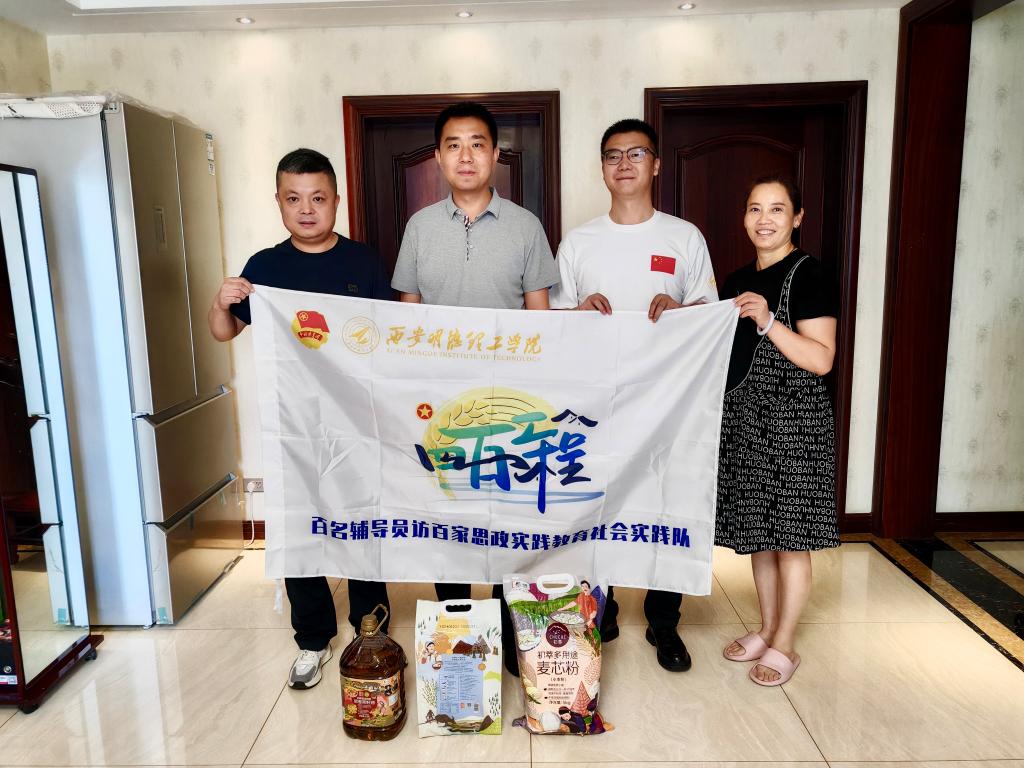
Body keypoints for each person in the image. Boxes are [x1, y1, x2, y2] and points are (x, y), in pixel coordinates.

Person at [208, 147, 392, 690]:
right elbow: (225, 331)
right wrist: (221, 302)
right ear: (279, 203)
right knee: (298, 522)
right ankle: (312, 638)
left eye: (318, 198)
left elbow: (389, 336)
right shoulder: (265, 267)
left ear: (336, 200)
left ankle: (371, 629)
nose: (307, 210)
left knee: (362, 521)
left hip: (356, 421)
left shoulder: (364, 262)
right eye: (294, 199)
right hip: (292, 421)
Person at [391, 101, 559, 674]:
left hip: (509, 406)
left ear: (495, 155)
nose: (466, 156)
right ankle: (458, 631)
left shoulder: (525, 226)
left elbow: (540, 320)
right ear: (438, 157)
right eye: (454, 145)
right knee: (450, 519)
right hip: (443, 407)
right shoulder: (419, 227)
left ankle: (511, 637)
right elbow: (407, 320)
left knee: (508, 519)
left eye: (478, 144)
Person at [550, 118, 718, 673]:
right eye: (613, 155)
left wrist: (680, 311)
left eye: (636, 153)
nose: (624, 164)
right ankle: (604, 604)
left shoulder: (684, 237)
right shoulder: (579, 242)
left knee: (666, 501)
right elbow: (553, 325)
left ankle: (664, 620)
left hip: (668, 404)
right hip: (596, 404)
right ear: (601, 168)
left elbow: (711, 316)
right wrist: (578, 312)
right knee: (600, 501)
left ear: (656, 164)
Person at [716, 174, 839, 686]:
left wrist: (768, 321)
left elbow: (822, 359)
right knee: (758, 537)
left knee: (790, 539)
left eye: (777, 209)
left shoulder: (811, 274)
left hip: (795, 424)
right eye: (754, 208)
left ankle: (785, 643)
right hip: (747, 421)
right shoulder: (736, 279)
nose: (764, 219)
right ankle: (766, 629)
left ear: (797, 218)